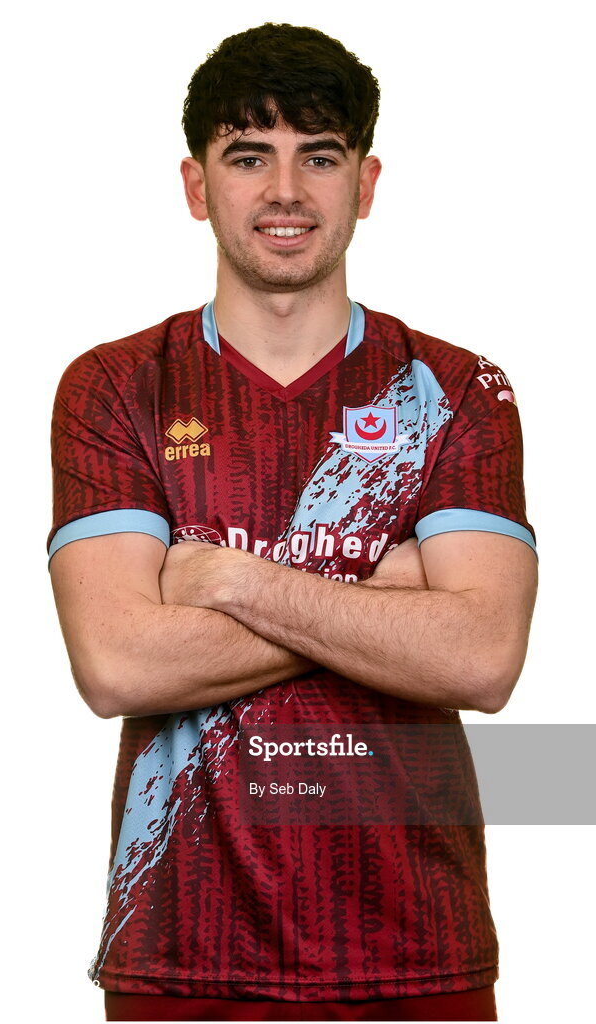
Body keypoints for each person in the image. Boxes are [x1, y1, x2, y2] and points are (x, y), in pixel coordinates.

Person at [47, 22, 537, 1023]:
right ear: (197, 187)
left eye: (320, 156)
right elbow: (116, 664)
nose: (285, 191)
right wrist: (388, 599)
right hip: (182, 953)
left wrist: (229, 578)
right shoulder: (115, 388)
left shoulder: (457, 389)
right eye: (248, 156)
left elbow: (484, 656)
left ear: (365, 183)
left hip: (418, 949)